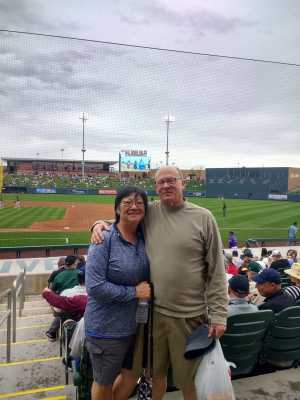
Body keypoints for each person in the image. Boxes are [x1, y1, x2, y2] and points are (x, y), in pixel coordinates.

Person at [92, 166, 228, 400]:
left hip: (189, 317)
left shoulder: (203, 217)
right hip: (152, 316)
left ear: (182, 182)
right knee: (154, 375)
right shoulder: (151, 212)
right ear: (156, 187)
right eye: (160, 182)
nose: (166, 186)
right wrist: (97, 224)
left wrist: (219, 314)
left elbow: (217, 270)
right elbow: (124, 217)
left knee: (189, 382)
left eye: (171, 180)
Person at [85, 187, 150, 400]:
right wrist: (134, 292)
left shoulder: (144, 237)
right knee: (103, 383)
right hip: (106, 329)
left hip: (137, 327)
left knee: (131, 376)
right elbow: (94, 287)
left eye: (140, 203)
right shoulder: (103, 238)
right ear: (117, 209)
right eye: (128, 202)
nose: (134, 206)